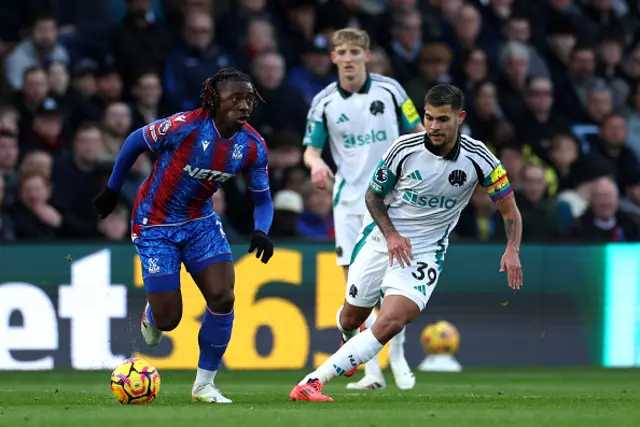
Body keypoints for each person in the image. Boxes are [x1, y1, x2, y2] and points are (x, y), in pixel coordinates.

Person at [290, 84, 523, 402]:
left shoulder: (480, 158)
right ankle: (349, 345)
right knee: (350, 318)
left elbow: (510, 211)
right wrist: (392, 235)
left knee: (392, 320)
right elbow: (372, 196)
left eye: (442, 119)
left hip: (425, 250)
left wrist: (512, 249)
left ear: (460, 117)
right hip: (379, 238)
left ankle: (311, 383)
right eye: (428, 118)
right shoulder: (404, 148)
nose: (433, 127)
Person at [92, 68, 275, 404]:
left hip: (200, 223)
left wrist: (262, 230)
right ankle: (154, 315)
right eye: (235, 97)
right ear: (215, 100)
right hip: (154, 224)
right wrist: (113, 189)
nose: (244, 104)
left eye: (249, 98)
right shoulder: (185, 126)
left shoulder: (252, 146)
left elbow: (262, 199)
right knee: (169, 319)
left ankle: (204, 385)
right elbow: (136, 140)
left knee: (223, 297)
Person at [302, 28, 425, 390]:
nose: (350, 57)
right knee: (356, 293)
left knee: (391, 287)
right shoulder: (324, 102)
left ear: (367, 56)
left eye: (356, 51)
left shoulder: (391, 91)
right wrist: (315, 164)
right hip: (349, 204)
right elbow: (310, 148)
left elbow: (417, 131)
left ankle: (398, 357)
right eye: (343, 51)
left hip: (390, 203)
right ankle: (372, 373)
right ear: (334, 58)